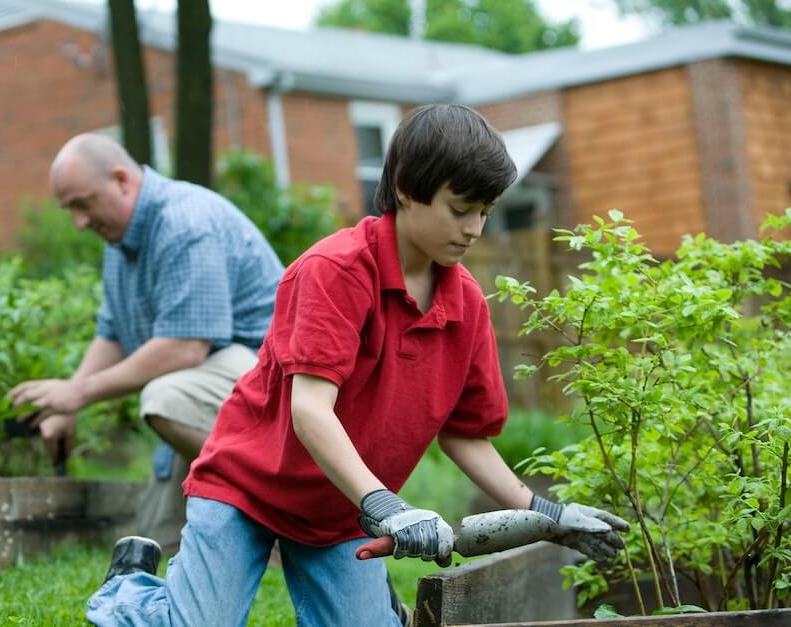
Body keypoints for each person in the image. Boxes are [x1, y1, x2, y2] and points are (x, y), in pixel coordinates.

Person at [86, 104, 630, 626]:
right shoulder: (335, 271)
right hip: (247, 488)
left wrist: (549, 517)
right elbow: (311, 411)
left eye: (485, 211)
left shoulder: (465, 304)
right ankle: (131, 593)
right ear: (405, 190)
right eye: (460, 209)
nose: (475, 229)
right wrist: (388, 507)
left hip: (339, 513)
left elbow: (465, 436)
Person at [8, 133, 285, 552]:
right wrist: (63, 403)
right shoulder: (120, 242)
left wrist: (79, 393)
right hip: (213, 389)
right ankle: (242, 523)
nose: (79, 223)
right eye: (70, 211)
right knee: (155, 541)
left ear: (122, 180)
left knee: (166, 398)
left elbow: (185, 347)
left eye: (83, 204)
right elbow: (113, 332)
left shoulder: (184, 223)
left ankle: (282, 506)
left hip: (276, 387)